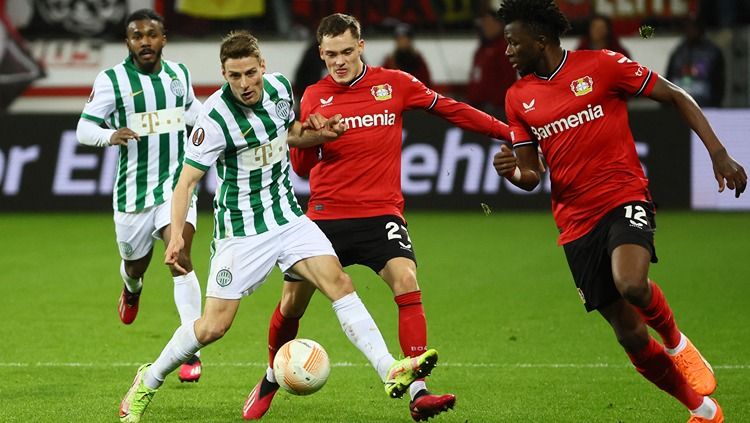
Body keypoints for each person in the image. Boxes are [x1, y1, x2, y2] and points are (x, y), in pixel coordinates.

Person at [117, 30, 439, 423]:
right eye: (234, 76)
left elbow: (289, 133)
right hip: (242, 232)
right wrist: (177, 239)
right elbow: (186, 181)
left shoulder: (281, 89)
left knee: (339, 283)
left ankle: (389, 368)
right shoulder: (214, 119)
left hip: (288, 219)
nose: (245, 84)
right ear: (223, 74)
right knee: (213, 327)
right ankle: (148, 380)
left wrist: (319, 133)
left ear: (263, 67)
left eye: (250, 73)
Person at [243, 13, 512, 422]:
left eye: (347, 51)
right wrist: (315, 136)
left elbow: (451, 109)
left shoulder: (396, 84)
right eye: (331, 54)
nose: (340, 61)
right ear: (321, 53)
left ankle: (418, 391)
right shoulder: (314, 95)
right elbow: (300, 167)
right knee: (292, 305)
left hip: (380, 213)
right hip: (325, 216)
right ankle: (269, 377)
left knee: (406, 278)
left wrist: (509, 133)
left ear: (362, 46)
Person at [493, 1, 747, 422]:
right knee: (629, 334)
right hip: (574, 223)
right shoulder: (517, 97)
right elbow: (533, 174)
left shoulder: (603, 65)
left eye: (513, 43)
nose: (507, 52)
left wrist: (718, 153)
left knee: (631, 282)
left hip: (623, 196)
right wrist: (512, 172)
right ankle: (702, 410)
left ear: (540, 41)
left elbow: (675, 94)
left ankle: (675, 341)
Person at [76, 8, 204, 382]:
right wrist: (108, 135)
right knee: (135, 266)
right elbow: (84, 128)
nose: (145, 41)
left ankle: (190, 348)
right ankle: (132, 291)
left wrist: (214, 120)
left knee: (180, 257)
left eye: (152, 34)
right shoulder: (112, 81)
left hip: (175, 188)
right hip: (133, 195)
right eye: (137, 35)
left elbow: (191, 109)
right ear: (127, 42)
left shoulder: (179, 75)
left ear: (163, 39)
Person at [466, 11, 517, 118]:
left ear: (498, 25)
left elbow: (508, 79)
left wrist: (495, 103)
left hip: (496, 111)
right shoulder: (482, 49)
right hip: (477, 108)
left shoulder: (504, 49)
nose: (484, 27)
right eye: (483, 24)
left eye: (487, 23)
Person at [666, 17, 725, 108]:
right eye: (687, 28)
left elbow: (719, 82)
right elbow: (668, 77)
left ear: (700, 30)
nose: (690, 31)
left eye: (693, 28)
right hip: (678, 103)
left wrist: (715, 104)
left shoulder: (712, 52)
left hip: (704, 103)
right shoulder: (678, 52)